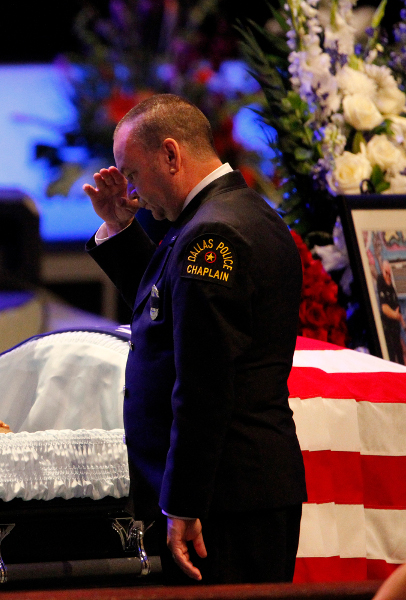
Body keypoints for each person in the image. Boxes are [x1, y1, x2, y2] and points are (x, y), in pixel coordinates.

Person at [84, 94, 307, 584]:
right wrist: (121, 226)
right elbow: (171, 307)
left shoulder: (212, 235)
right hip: (236, 492)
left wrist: (183, 502)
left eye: (134, 176)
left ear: (171, 154)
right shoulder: (230, 215)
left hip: (222, 501)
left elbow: (204, 382)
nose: (134, 194)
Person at [378, 258, 406, 365]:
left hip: (396, 328)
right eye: (386, 273)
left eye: (389, 273)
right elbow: (384, 308)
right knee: (392, 356)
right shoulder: (381, 281)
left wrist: (402, 322)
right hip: (388, 327)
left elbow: (397, 307)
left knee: (399, 353)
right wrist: (395, 315)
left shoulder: (392, 286)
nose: (388, 276)